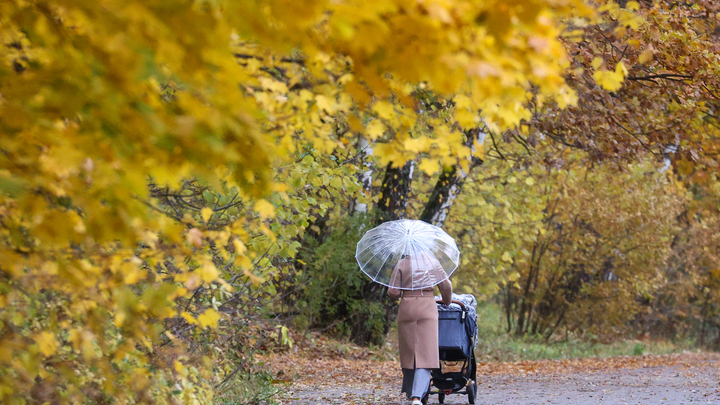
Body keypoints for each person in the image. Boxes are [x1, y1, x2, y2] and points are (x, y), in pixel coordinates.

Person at [388, 253, 453, 405]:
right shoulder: (433, 262)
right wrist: (446, 301)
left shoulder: (402, 263)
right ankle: (417, 397)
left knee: (409, 353)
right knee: (426, 355)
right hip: (427, 308)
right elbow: (446, 286)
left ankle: (411, 393)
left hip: (407, 308)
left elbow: (393, 292)